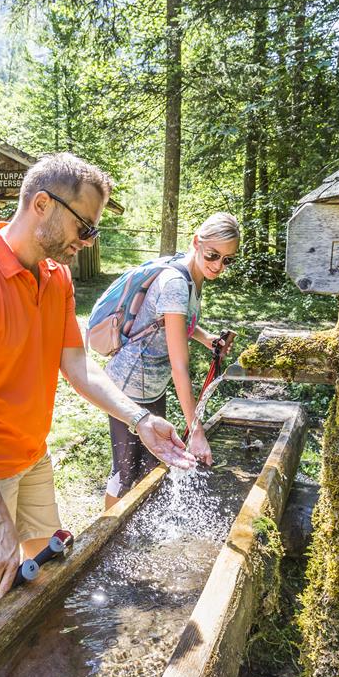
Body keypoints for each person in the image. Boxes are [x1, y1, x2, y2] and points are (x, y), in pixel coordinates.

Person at [0, 153, 195, 619]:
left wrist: (141, 419)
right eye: (85, 227)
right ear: (42, 204)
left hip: (30, 451)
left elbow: (77, 365)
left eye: (94, 232)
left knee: (46, 552)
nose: (86, 243)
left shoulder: (56, 276)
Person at [102, 212, 241, 507]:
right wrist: (198, 431)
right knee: (125, 473)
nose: (218, 265)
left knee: (151, 468)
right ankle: (104, 537)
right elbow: (180, 366)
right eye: (213, 255)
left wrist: (205, 338)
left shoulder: (193, 277)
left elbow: (175, 320)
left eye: (228, 259)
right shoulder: (176, 283)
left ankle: (132, 532)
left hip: (152, 385)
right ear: (196, 242)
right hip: (127, 385)